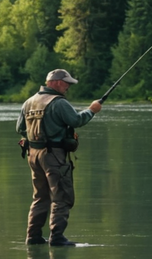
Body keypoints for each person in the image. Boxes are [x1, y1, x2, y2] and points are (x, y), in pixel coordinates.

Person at [17, 69, 102, 247]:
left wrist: (37, 138)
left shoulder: (29, 102)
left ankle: (33, 236)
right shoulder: (59, 102)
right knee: (61, 196)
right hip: (54, 156)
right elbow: (77, 121)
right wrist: (92, 110)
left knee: (40, 197)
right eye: (66, 83)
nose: (68, 87)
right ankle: (57, 237)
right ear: (55, 82)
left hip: (33, 155)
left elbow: (20, 129)